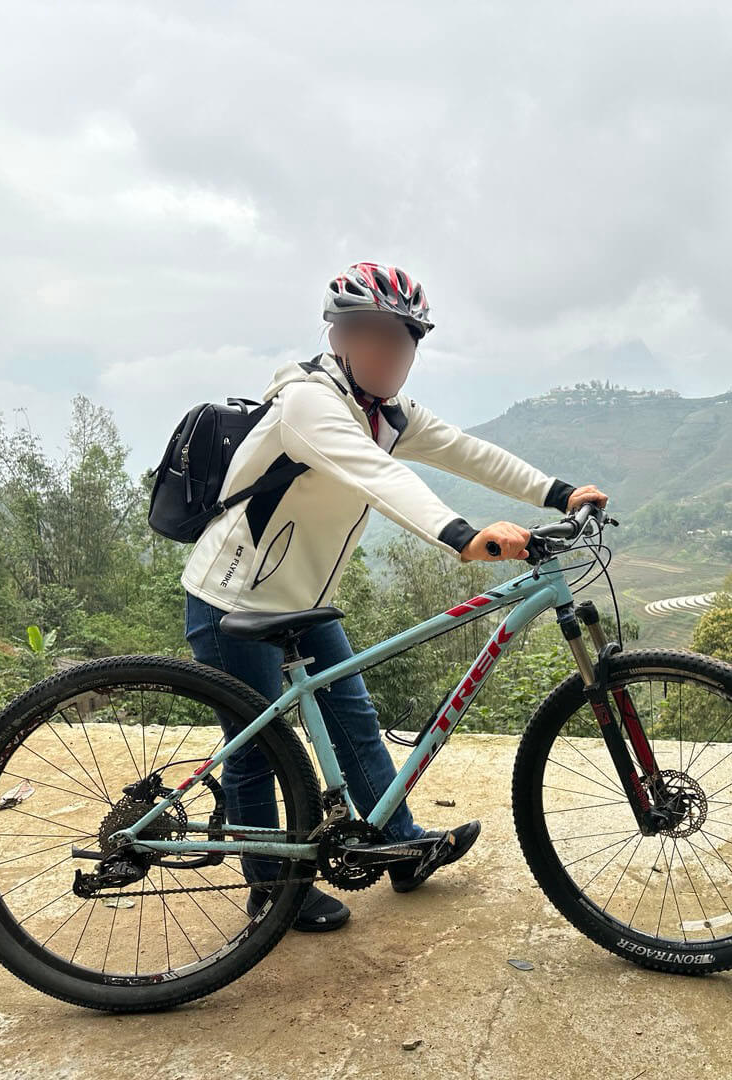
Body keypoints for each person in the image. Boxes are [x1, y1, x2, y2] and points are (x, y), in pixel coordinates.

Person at [181, 261, 608, 931]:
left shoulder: (387, 413)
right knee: (259, 748)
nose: (389, 352)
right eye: (373, 336)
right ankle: (270, 891)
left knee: (353, 715)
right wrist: (461, 535)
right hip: (232, 601)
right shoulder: (308, 403)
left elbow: (465, 451)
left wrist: (560, 492)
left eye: (403, 340)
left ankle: (397, 844)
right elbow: (376, 476)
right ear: (340, 337)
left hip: (303, 599)